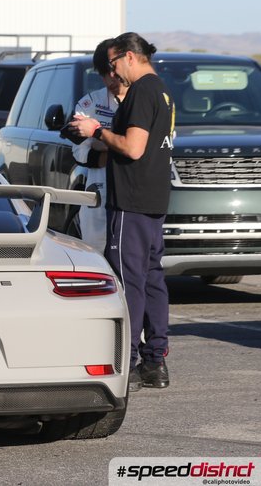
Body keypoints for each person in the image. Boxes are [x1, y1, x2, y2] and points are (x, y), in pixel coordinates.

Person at [68, 32, 175, 392]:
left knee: (128, 281)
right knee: (152, 277)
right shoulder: (162, 90)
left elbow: (133, 148)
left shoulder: (142, 91)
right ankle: (155, 360)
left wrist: (96, 129)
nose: (112, 73)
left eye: (113, 64)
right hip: (154, 198)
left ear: (129, 56)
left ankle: (125, 362)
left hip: (132, 199)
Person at [69, 39, 128, 252]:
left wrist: (103, 142)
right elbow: (79, 150)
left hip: (134, 194)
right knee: (95, 254)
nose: (109, 79)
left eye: (112, 71)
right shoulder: (90, 104)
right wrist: (117, 149)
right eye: (103, 74)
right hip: (99, 192)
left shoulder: (145, 101)